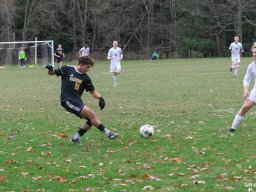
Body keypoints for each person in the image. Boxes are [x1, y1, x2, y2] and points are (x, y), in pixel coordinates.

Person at [45, 56, 119, 144]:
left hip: (77, 101)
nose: (88, 69)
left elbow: (92, 91)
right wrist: (50, 69)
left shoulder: (86, 78)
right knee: (91, 114)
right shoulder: (67, 69)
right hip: (67, 100)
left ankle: (75, 138)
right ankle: (108, 133)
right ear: (81, 64)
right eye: (87, 67)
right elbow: (52, 73)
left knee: (91, 119)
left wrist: (100, 98)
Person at [229, 43, 256, 132]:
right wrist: (245, 89)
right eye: (253, 53)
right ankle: (232, 129)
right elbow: (246, 79)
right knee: (245, 107)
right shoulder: (252, 66)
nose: (254, 55)